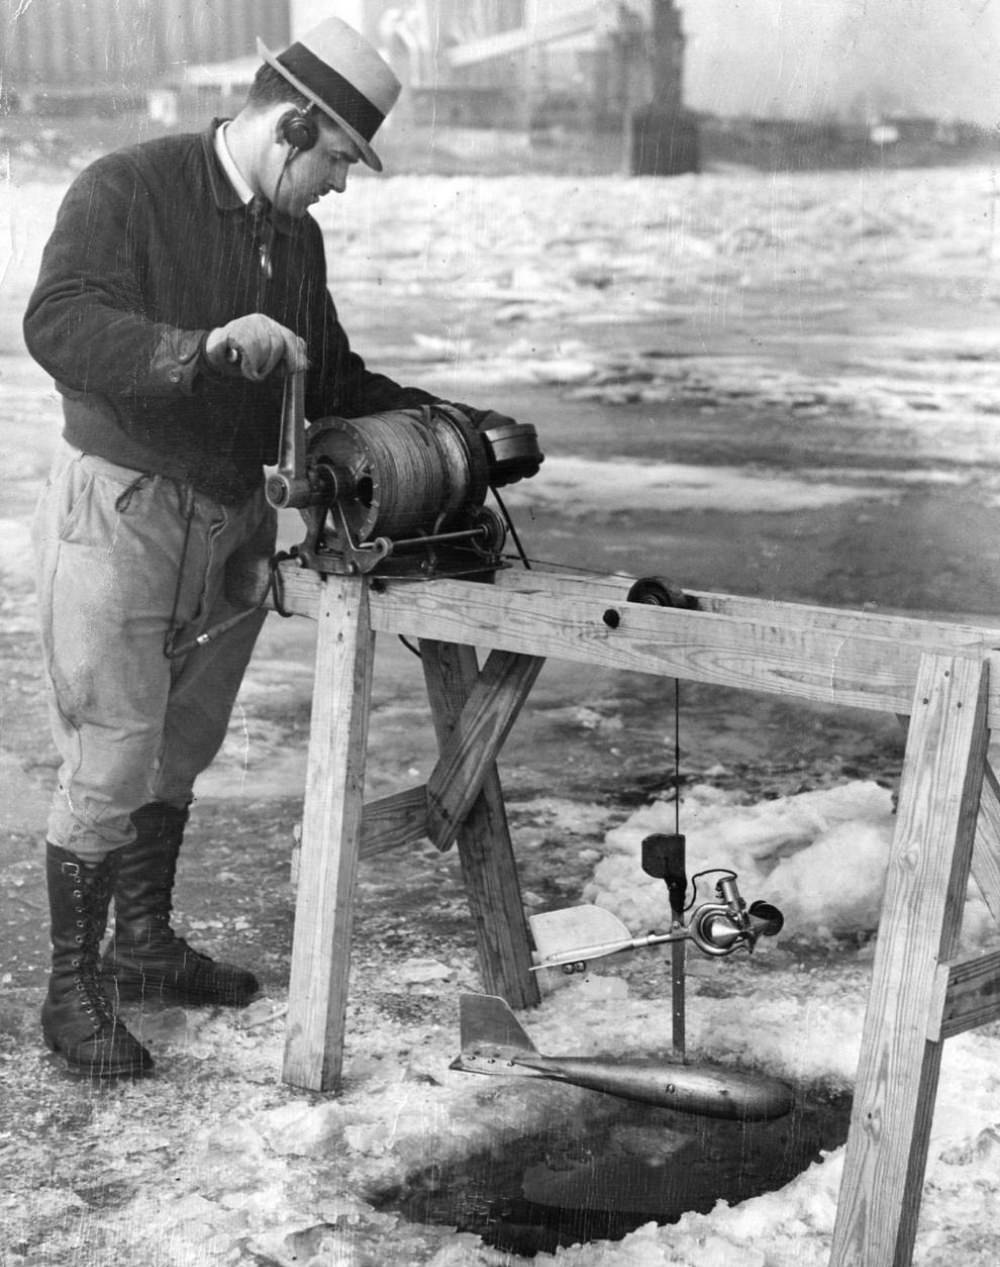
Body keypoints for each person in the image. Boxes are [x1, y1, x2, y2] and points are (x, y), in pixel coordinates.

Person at [23, 15, 514, 1081]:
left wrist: (450, 422)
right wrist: (194, 349)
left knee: (181, 744)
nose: (339, 183)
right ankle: (73, 993)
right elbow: (55, 322)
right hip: (122, 509)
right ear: (293, 125)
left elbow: (331, 379)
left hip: (230, 521)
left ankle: (144, 944)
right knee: (109, 751)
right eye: (338, 157)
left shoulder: (295, 241)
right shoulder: (129, 187)